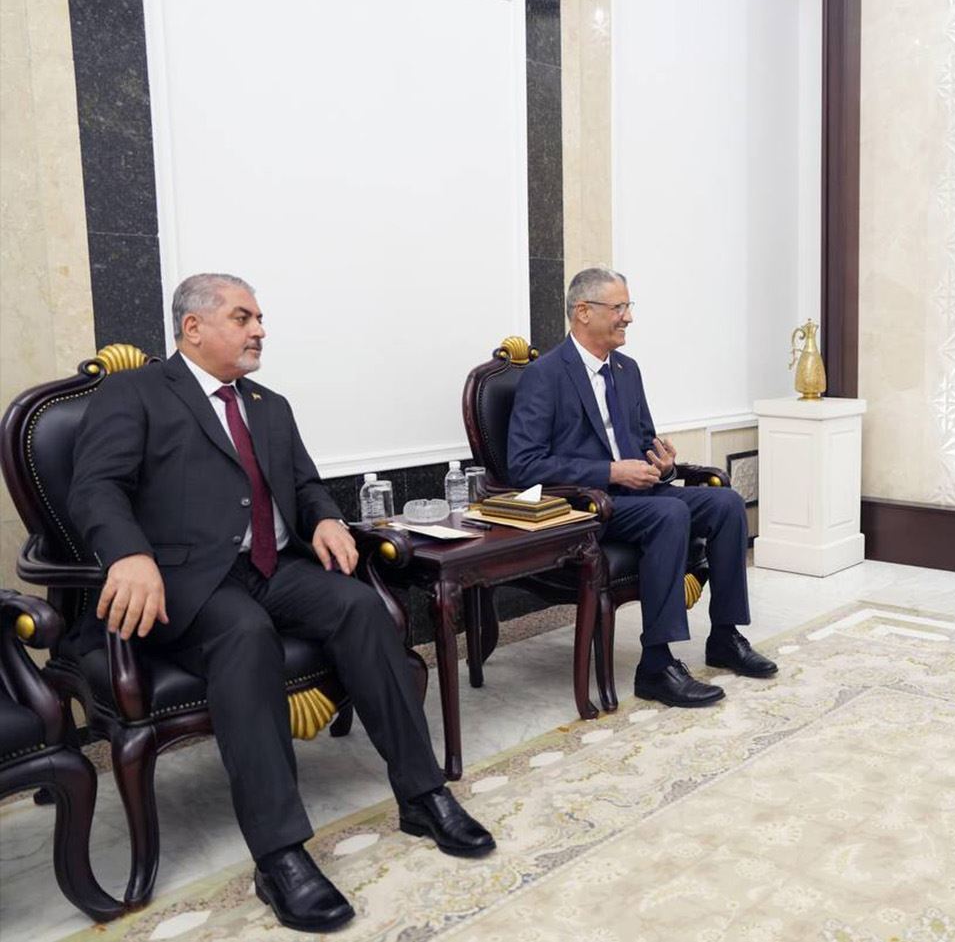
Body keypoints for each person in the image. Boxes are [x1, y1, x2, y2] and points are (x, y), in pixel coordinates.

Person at [69, 274, 494, 933]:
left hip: (273, 566)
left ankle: (422, 793)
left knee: (360, 607)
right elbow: (96, 486)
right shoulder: (137, 392)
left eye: (260, 318)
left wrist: (323, 517)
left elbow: (304, 483)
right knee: (245, 632)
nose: (260, 330)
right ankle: (279, 855)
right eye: (243, 317)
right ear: (193, 327)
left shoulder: (269, 404)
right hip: (187, 580)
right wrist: (128, 553)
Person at [507, 266, 777, 708]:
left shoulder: (626, 370)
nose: (629, 317)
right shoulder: (546, 375)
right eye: (619, 307)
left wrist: (663, 465)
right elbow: (525, 465)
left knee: (727, 503)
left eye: (628, 306)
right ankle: (655, 665)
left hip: (640, 496)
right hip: (588, 505)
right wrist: (612, 472)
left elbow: (644, 439)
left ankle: (725, 637)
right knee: (669, 513)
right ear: (583, 312)